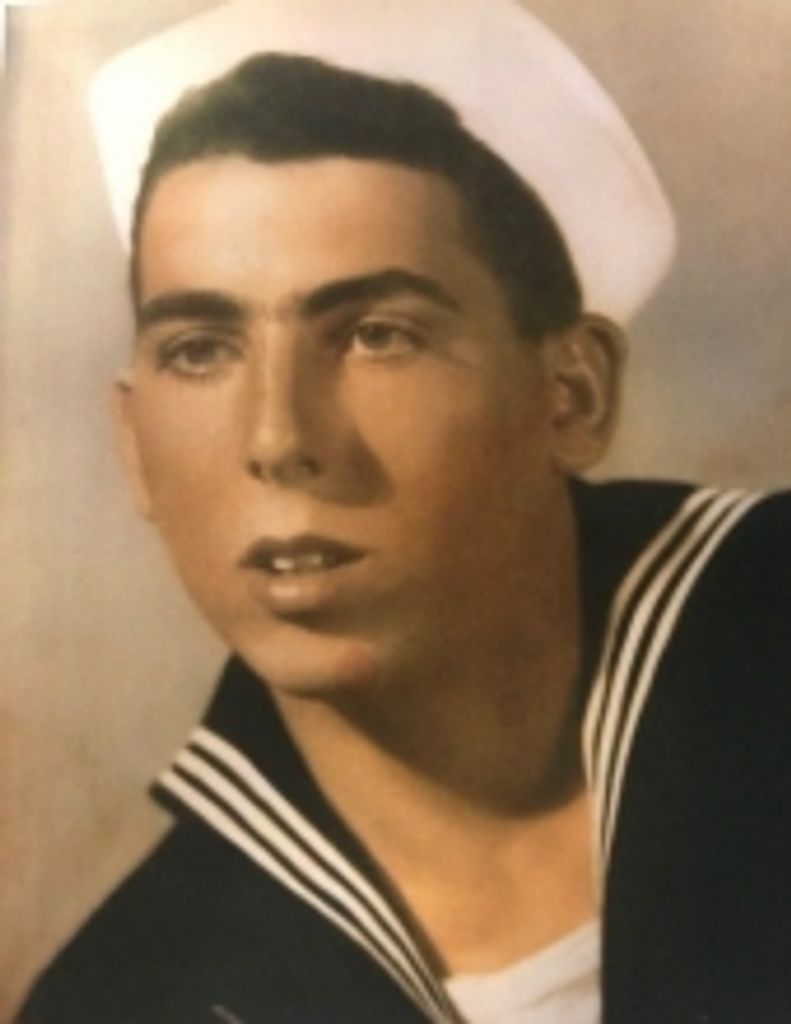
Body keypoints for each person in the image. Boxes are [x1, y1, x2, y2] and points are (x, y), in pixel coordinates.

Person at [16, 2, 791, 1022]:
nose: (278, 437)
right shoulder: (127, 999)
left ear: (571, 395)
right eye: (200, 350)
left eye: (375, 334)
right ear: (134, 446)